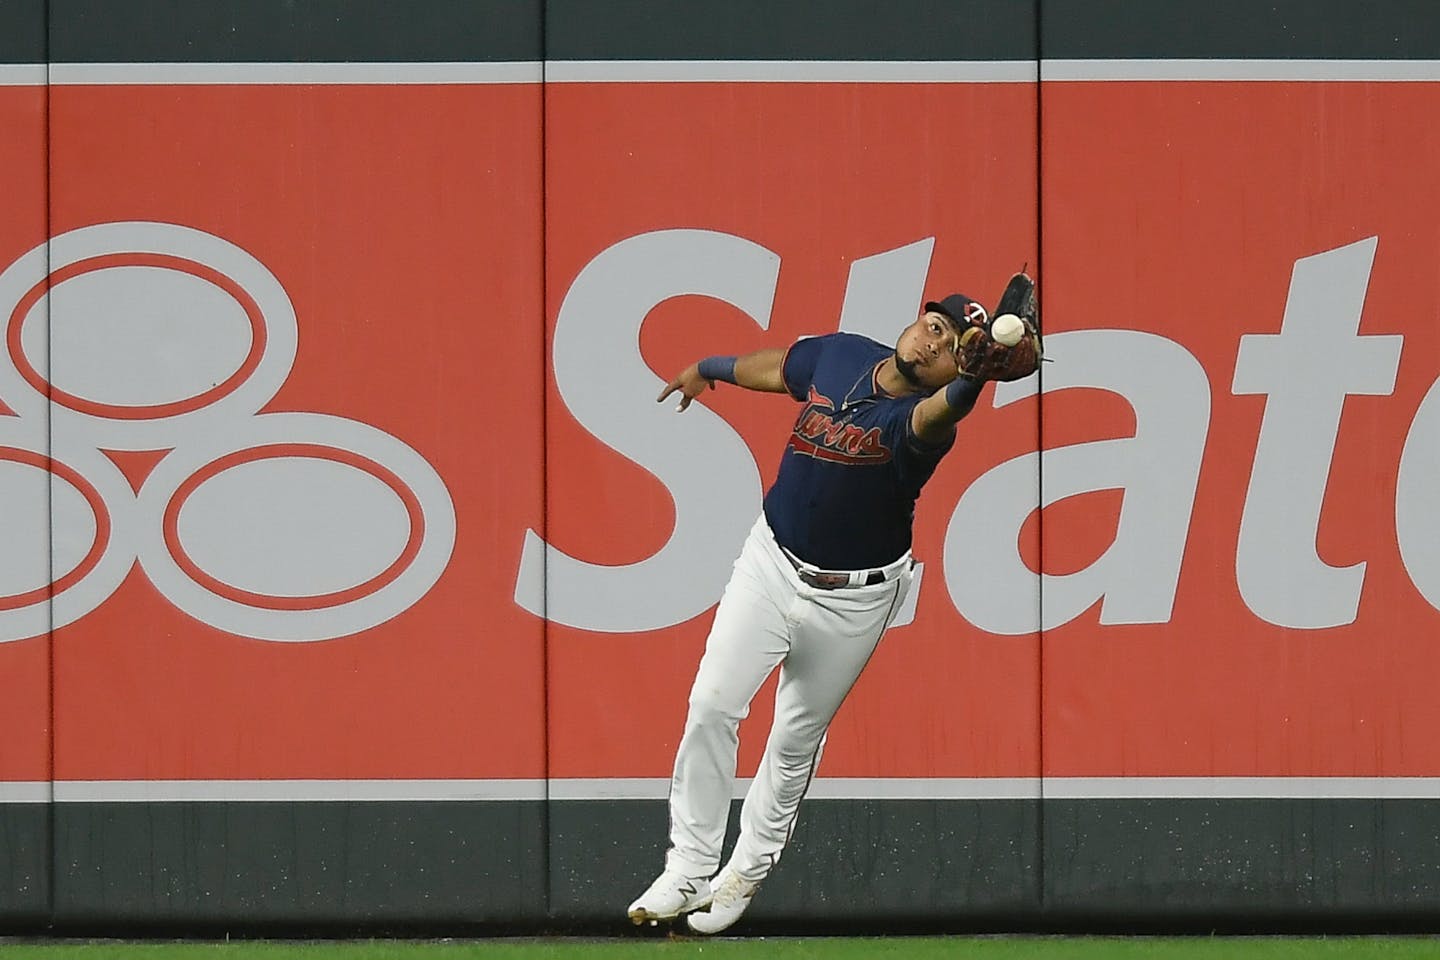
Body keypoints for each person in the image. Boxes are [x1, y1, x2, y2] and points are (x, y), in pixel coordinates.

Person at [627, 291, 1021, 935]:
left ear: (957, 369)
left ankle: (743, 873)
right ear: (918, 319)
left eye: (952, 348)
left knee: (792, 741)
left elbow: (943, 412)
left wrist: (974, 380)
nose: (933, 344)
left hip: (855, 598)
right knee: (711, 703)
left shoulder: (919, 423)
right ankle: (689, 867)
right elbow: (783, 367)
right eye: (935, 327)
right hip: (770, 561)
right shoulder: (841, 355)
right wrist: (710, 366)